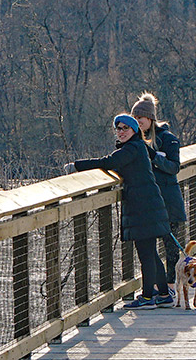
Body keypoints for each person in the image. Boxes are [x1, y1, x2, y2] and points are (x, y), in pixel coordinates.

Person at [65, 114, 173, 309]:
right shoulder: (138, 147)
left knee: (146, 253)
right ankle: (164, 294)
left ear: (134, 131)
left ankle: (148, 297)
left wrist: (76, 166)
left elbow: (107, 162)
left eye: (126, 128)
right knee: (151, 253)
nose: (121, 132)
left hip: (144, 206)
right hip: (148, 204)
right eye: (118, 128)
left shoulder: (132, 148)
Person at [131, 92, 187, 297]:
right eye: (135, 118)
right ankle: (157, 286)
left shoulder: (168, 139)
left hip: (168, 201)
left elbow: (174, 167)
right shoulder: (132, 140)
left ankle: (170, 287)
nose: (138, 122)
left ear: (150, 118)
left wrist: (154, 157)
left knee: (170, 246)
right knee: (148, 248)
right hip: (146, 203)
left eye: (141, 118)